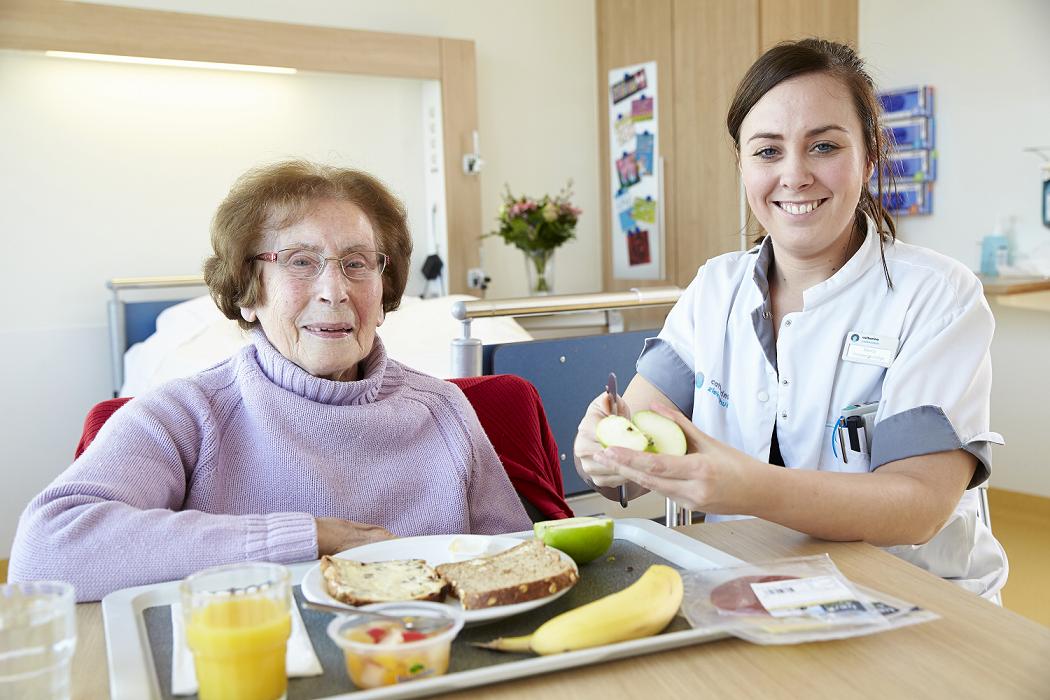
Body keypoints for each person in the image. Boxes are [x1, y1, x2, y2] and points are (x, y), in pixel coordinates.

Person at [574, 39, 1007, 598]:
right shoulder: (715, 289)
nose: (795, 175)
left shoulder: (937, 296)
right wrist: (603, 460)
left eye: (823, 146)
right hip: (754, 593)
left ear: (869, 156)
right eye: (768, 151)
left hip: (918, 600)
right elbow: (635, 436)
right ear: (742, 164)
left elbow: (918, 506)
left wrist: (749, 489)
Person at [10, 160, 532, 601]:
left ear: (384, 284)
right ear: (247, 291)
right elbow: (45, 550)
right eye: (300, 262)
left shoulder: (443, 411)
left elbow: (515, 564)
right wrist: (308, 536)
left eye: (357, 263)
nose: (334, 290)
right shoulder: (187, 414)